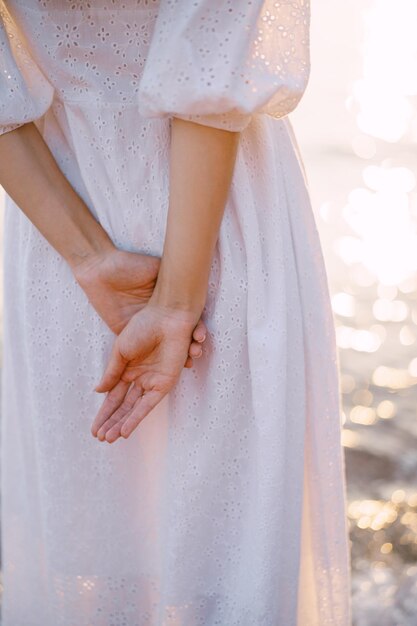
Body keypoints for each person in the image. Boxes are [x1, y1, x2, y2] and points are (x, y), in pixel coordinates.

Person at [0, 0, 352, 624]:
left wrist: (88, 258)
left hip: (55, 213)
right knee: (228, 557)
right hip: (218, 219)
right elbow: (213, 56)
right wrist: (176, 301)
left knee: (90, 557)